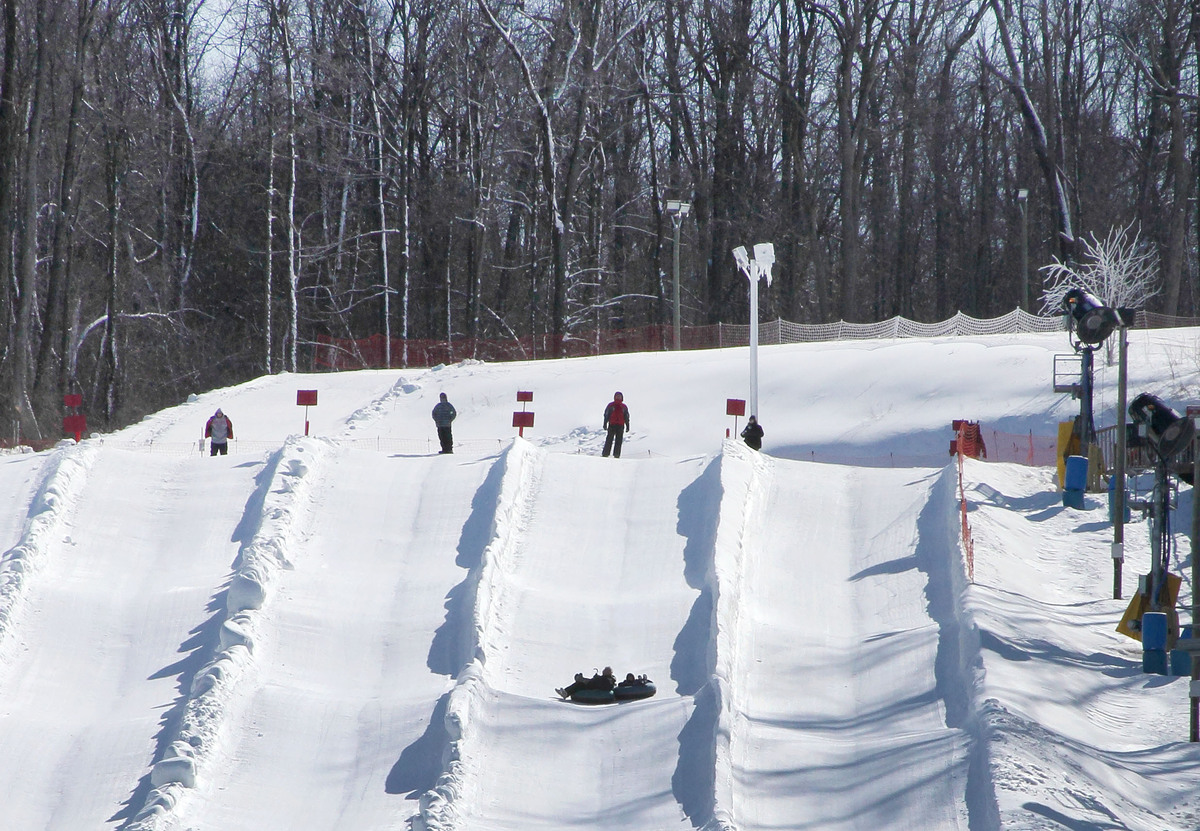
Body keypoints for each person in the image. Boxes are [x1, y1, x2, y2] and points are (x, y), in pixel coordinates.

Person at [602, 392, 630, 458]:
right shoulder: (610, 405)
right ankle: (605, 454)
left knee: (619, 441)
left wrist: (627, 426)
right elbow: (606, 415)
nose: (618, 397)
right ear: (614, 397)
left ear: (622, 397)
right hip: (612, 424)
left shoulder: (624, 407)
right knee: (609, 439)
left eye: (619, 396)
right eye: (617, 396)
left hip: (620, 425)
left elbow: (626, 417)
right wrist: (605, 423)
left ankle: (617, 455)